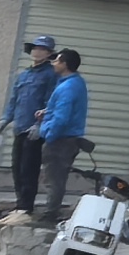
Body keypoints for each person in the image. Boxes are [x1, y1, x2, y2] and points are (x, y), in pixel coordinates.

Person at [36, 46, 93, 221]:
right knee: (57, 177)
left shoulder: (67, 87)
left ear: (65, 64)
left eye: (56, 60)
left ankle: (50, 215)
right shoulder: (76, 83)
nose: (53, 63)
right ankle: (51, 212)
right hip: (69, 139)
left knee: (54, 179)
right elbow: (64, 109)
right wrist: (47, 112)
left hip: (61, 140)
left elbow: (61, 119)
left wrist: (48, 134)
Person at [4, 33, 58, 215]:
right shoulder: (24, 75)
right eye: (35, 48)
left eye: (42, 49)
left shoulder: (51, 75)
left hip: (34, 130)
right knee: (17, 168)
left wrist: (40, 124)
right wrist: (5, 119)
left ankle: (26, 208)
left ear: (49, 54)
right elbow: (14, 100)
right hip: (19, 128)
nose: (37, 52)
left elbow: (51, 102)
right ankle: (19, 204)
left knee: (28, 169)